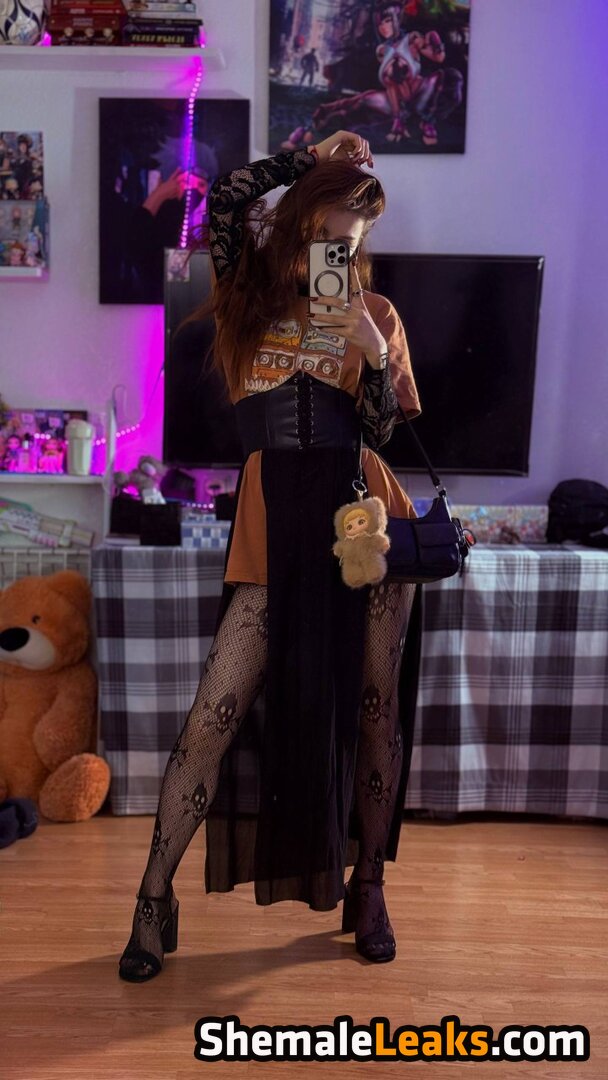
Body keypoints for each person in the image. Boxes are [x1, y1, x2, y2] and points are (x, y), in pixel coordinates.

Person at [118, 130, 422, 983]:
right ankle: (152, 898)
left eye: (356, 238)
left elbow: (382, 432)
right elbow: (223, 199)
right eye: (332, 228)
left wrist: (372, 358)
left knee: (374, 712)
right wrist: (306, 158)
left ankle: (370, 887)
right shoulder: (245, 291)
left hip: (360, 523)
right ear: (302, 220)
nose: (342, 249)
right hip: (270, 522)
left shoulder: (376, 313)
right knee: (212, 715)